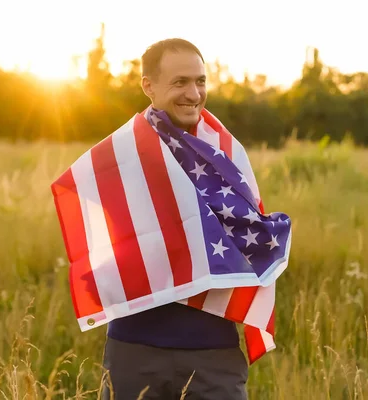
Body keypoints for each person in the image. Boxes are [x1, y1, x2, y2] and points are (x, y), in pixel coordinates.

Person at [100, 38, 249, 400]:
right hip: (136, 348)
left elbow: (246, 240)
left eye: (200, 81)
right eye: (180, 82)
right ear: (148, 86)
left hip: (212, 350)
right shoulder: (119, 156)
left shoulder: (227, 154)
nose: (194, 93)